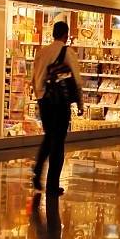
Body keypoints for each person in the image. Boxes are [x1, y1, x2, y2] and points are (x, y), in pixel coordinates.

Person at [32, 21, 83, 196]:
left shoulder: (41, 52)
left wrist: (40, 96)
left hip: (43, 99)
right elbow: (77, 80)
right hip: (59, 103)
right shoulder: (67, 52)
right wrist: (80, 104)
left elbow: (34, 77)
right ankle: (52, 184)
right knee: (58, 142)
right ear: (66, 35)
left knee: (49, 136)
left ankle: (38, 170)